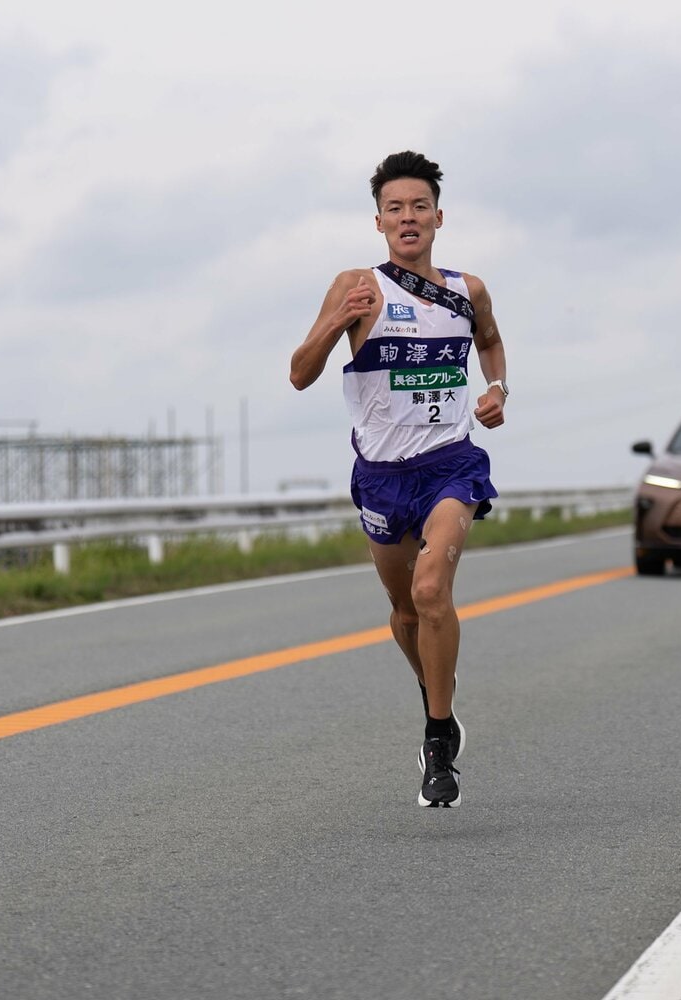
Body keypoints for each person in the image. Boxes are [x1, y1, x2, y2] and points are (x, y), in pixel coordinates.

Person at [289, 151, 509, 808]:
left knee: (432, 585)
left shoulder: (467, 290)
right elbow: (300, 374)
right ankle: (434, 692)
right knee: (406, 610)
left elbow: (490, 340)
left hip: (451, 465)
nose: (407, 217)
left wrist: (496, 386)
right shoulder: (358, 286)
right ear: (380, 221)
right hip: (383, 477)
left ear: (438, 217)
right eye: (395, 208)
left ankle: (438, 739)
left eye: (419, 207)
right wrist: (336, 320)